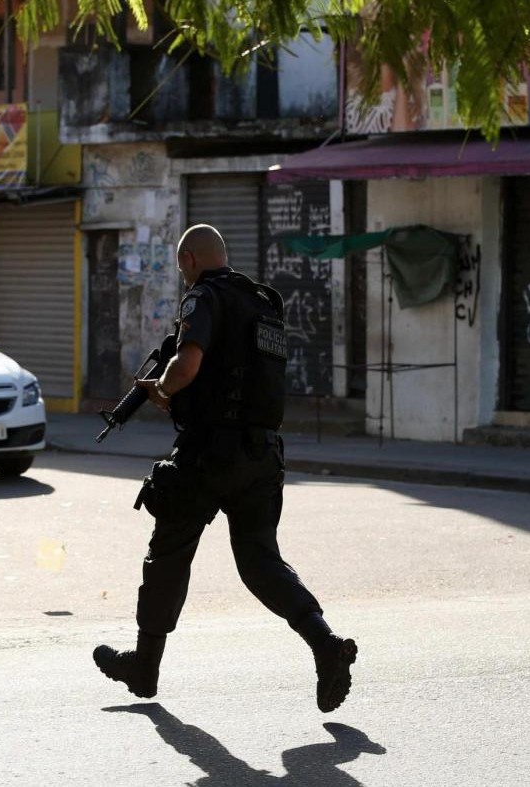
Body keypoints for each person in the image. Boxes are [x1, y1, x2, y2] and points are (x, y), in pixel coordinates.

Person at [93, 223, 358, 713]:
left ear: (191, 259)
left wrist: (164, 390)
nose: (182, 277)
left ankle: (144, 666)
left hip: (210, 453)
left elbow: (188, 366)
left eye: (181, 267)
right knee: (261, 562)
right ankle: (326, 645)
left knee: (169, 549)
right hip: (263, 455)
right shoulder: (263, 303)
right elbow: (236, 383)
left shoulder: (203, 298)